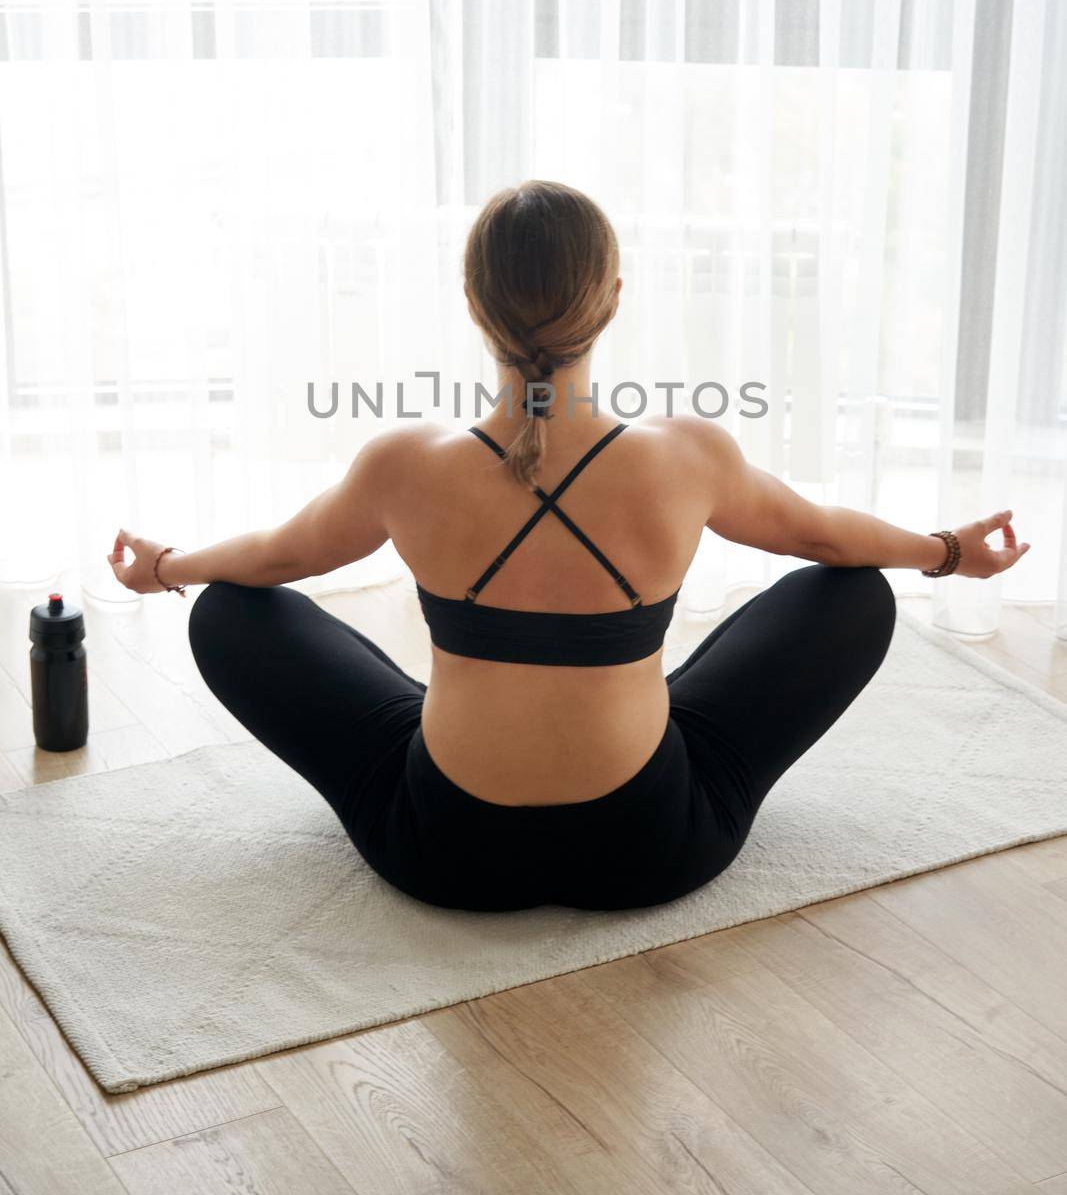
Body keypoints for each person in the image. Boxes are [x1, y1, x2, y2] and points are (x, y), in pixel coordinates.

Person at [107, 180, 1031, 913]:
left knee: (229, 607)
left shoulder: (404, 463)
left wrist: (164, 569)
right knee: (855, 591)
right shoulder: (686, 455)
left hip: (445, 853)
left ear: (473, 303)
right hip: (651, 849)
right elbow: (823, 537)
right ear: (612, 299)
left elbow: (272, 558)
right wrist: (948, 550)